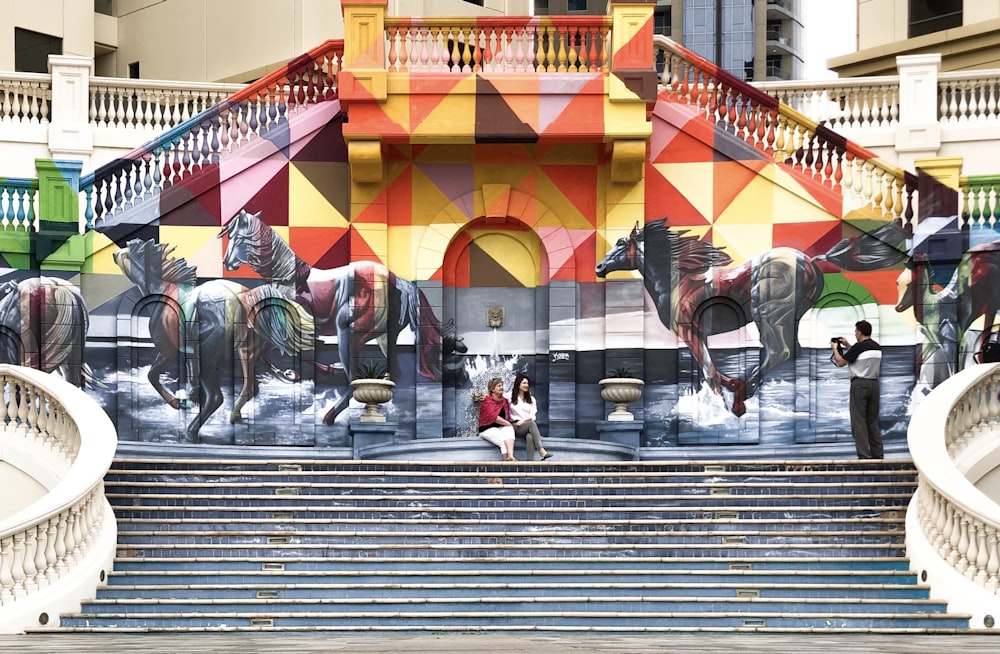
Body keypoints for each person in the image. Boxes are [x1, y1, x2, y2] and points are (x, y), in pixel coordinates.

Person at [831, 320, 884, 459]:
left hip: (860, 385)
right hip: (874, 384)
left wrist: (835, 349)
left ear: (860, 332)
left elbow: (841, 362)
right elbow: (860, 356)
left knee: (859, 421)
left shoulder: (860, 346)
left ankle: (864, 456)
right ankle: (878, 454)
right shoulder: (876, 347)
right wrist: (848, 345)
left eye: (855, 331)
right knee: (872, 422)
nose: (855, 334)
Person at [509, 374, 552, 461]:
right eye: (524, 383)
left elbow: (533, 415)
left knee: (530, 436)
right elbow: (497, 395)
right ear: (518, 384)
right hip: (515, 426)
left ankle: (529, 462)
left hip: (525, 425)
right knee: (532, 424)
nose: (526, 385)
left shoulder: (531, 399)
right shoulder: (510, 396)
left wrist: (523, 420)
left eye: (527, 383)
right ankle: (541, 450)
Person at [478, 377, 517, 461]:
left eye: (502, 385)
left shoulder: (504, 400)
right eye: (499, 386)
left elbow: (514, 394)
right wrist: (508, 423)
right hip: (487, 428)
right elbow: (494, 417)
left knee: (509, 429)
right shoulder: (487, 401)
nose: (501, 387)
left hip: (500, 427)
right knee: (503, 442)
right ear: (492, 389)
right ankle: (506, 464)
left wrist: (509, 425)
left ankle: (510, 456)